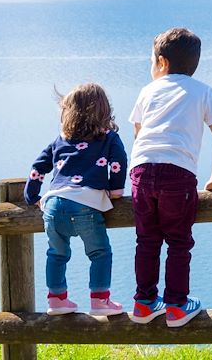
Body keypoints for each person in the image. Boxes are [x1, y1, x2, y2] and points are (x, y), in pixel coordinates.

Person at [128, 28, 212, 327]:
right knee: (178, 241)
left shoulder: (147, 91)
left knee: (146, 240)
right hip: (178, 174)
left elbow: (138, 133)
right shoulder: (203, 91)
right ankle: (176, 305)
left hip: (142, 170)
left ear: (161, 62)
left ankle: (144, 303)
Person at [24, 83, 128, 316]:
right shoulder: (109, 137)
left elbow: (37, 167)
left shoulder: (61, 139)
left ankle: (57, 299)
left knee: (56, 254)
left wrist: (32, 196)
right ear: (104, 110)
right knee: (100, 253)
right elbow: (118, 163)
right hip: (85, 205)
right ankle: (100, 301)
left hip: (53, 204)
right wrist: (115, 190)